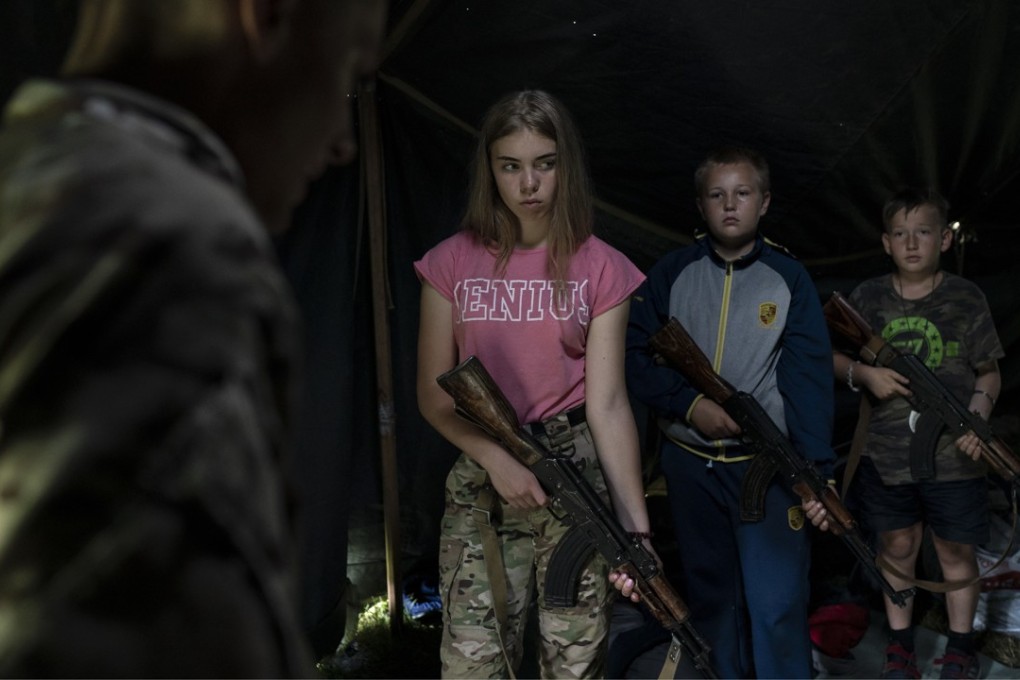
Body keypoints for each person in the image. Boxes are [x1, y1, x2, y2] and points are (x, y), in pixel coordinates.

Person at [0, 0, 386, 677]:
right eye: (347, 76)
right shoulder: (169, 243)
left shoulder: (32, 173)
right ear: (266, 16)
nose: (341, 142)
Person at [414, 89, 653, 679]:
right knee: (473, 664)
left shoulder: (602, 266)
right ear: (489, 169)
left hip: (573, 473)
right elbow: (434, 397)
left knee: (575, 663)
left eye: (545, 164)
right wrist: (497, 460)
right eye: (510, 166)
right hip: (484, 476)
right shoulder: (450, 263)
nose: (528, 184)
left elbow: (608, 405)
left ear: (565, 165)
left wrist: (637, 531)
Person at [620, 146, 837, 678]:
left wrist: (818, 474)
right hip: (691, 466)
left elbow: (808, 382)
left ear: (765, 202)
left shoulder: (788, 277)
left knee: (777, 603)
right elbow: (631, 356)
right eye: (717, 195)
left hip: (767, 469)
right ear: (701, 205)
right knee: (713, 600)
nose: (730, 205)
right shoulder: (673, 273)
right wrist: (691, 405)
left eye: (743, 193)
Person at [830, 187, 1004, 680]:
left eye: (923, 232)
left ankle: (961, 649)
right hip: (886, 459)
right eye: (901, 234)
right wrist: (865, 375)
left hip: (954, 458)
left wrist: (976, 419)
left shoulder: (965, 298)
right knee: (897, 548)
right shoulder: (867, 299)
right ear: (886, 242)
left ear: (944, 240)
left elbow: (989, 373)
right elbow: (828, 356)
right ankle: (900, 646)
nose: (911, 244)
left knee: (955, 552)